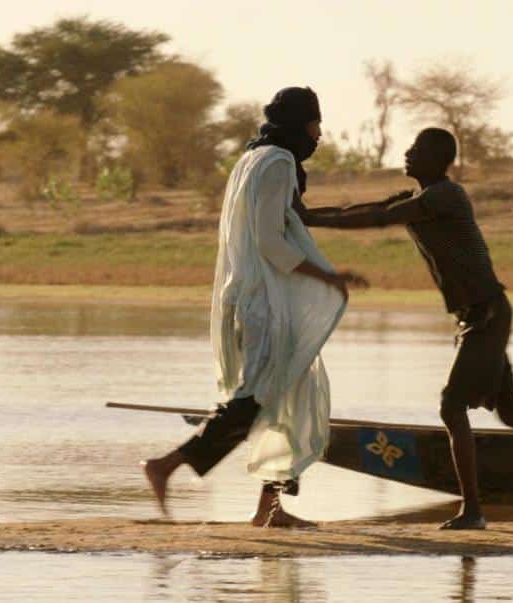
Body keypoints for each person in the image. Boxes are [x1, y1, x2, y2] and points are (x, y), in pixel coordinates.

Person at [298, 128, 513, 530]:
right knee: (512, 412)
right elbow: (365, 209)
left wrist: (305, 217)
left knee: (452, 406)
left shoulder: (444, 197)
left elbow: (378, 218)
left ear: (437, 160)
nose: (407, 153)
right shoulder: (418, 199)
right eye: (409, 147)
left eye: (417, 150)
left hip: (487, 316)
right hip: (478, 317)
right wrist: (307, 216)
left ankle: (474, 511)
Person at [143, 87, 367, 528]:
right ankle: (166, 465)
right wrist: (329, 277)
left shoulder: (253, 159)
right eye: (314, 124)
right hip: (266, 304)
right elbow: (268, 241)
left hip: (253, 297)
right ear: (300, 123)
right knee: (257, 397)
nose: (318, 135)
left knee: (290, 396)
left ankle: (271, 508)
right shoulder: (279, 162)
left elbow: (280, 221)